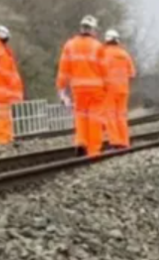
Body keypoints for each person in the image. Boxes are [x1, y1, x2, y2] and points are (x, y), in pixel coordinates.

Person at [57, 15, 107, 157]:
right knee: (94, 119)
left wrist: (62, 89)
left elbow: (63, 69)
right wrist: (107, 89)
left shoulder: (70, 45)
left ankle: (81, 142)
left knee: (81, 117)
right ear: (92, 30)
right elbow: (105, 71)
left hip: (78, 89)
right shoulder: (98, 46)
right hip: (96, 90)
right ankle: (93, 150)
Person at [99, 29, 136, 150]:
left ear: (107, 40)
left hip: (109, 89)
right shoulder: (125, 54)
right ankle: (125, 141)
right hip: (123, 90)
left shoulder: (103, 53)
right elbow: (132, 74)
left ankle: (115, 141)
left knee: (110, 115)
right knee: (121, 116)